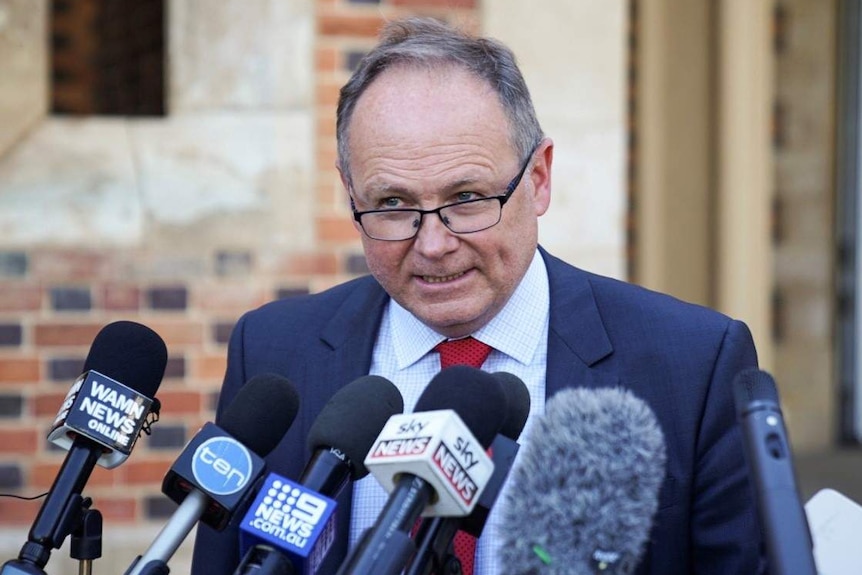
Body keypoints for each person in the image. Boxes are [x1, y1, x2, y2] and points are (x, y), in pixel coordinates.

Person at [191, 17, 766, 575]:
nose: (434, 244)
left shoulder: (695, 363)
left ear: (538, 178)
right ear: (350, 193)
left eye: (466, 197)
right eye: (392, 204)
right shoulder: (272, 351)